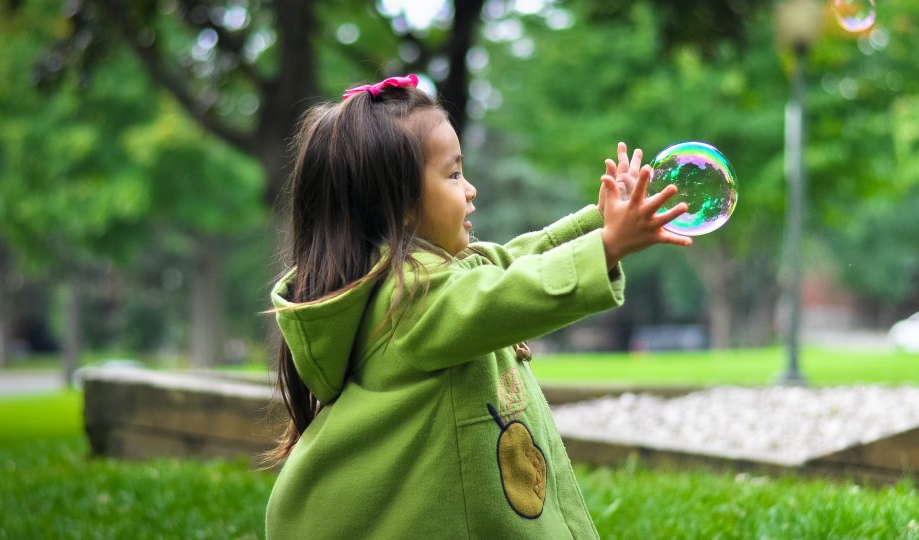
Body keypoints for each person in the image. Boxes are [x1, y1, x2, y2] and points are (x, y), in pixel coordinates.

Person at [264, 74, 691, 539]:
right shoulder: (407, 302)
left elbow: (508, 263)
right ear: (402, 205)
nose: (470, 190)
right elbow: (503, 294)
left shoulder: (426, 281)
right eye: (453, 174)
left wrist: (599, 225)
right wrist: (606, 247)